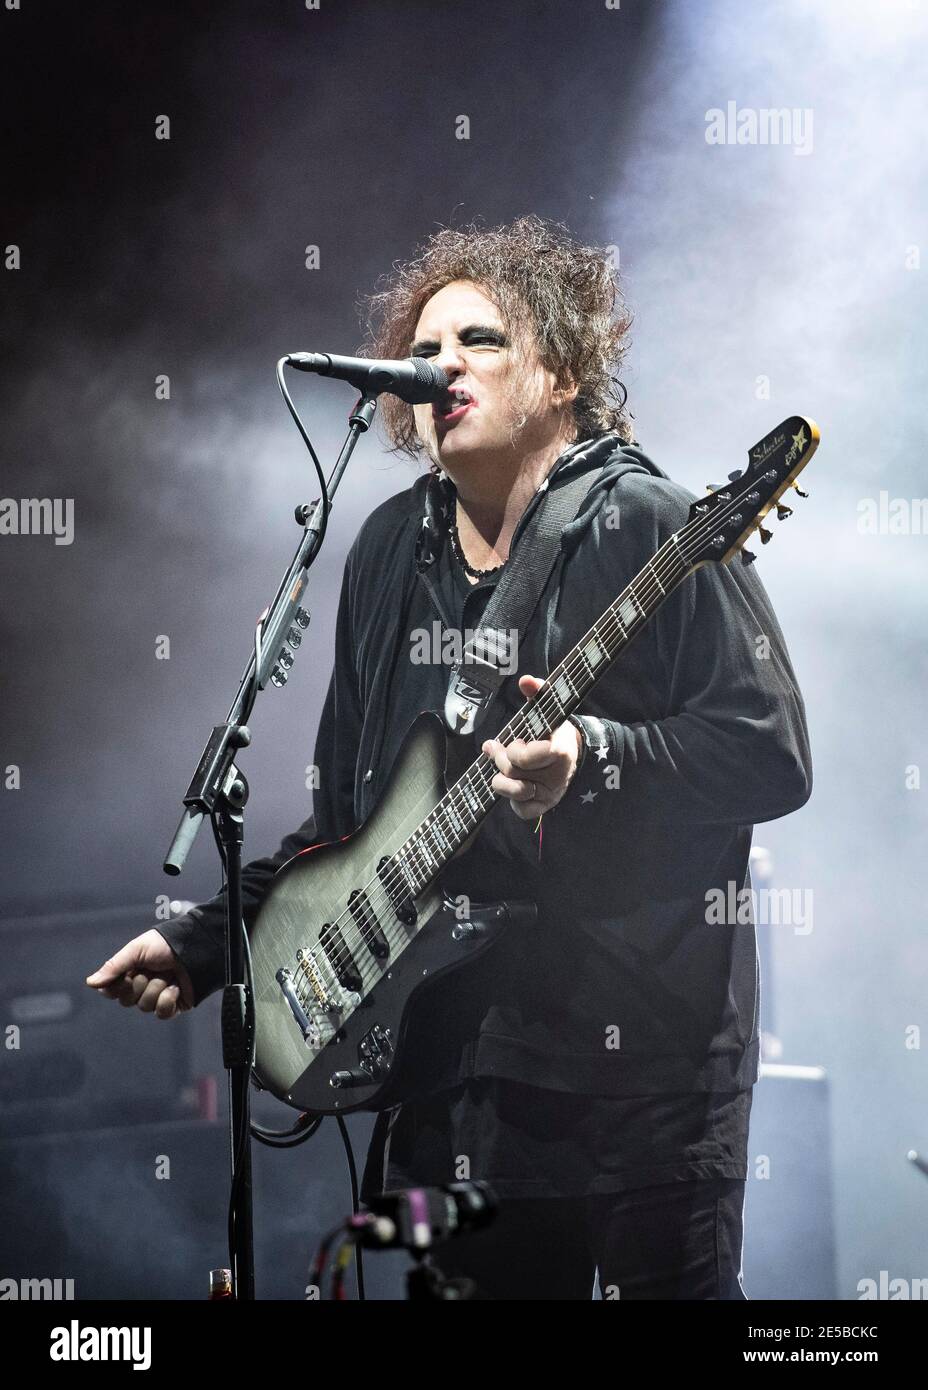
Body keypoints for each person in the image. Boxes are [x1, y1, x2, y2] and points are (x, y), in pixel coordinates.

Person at [87, 214, 812, 1300]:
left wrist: (596, 755)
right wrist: (207, 942)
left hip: (635, 1073)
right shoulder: (387, 549)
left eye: (478, 342)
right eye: (425, 354)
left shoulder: (653, 525)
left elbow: (770, 752)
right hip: (448, 1070)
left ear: (561, 375)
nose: (442, 370)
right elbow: (349, 825)